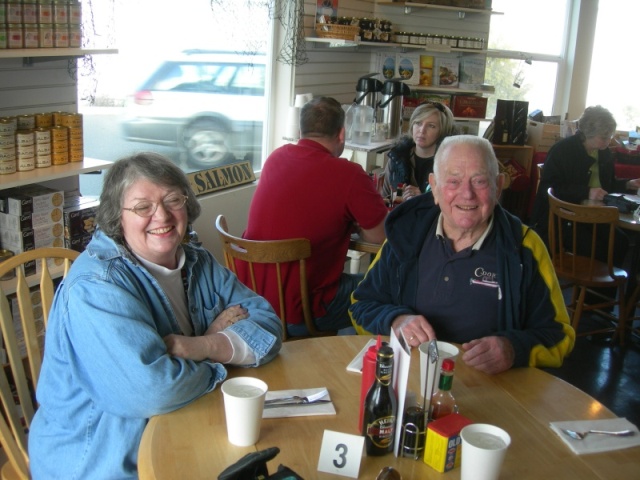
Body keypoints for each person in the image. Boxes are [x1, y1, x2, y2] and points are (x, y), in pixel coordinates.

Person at [29, 153, 283, 479]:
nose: (161, 215)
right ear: (116, 217)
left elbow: (268, 323)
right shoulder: (96, 287)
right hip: (102, 461)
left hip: (181, 424)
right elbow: (152, 390)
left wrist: (201, 345)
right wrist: (220, 358)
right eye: (142, 206)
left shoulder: (196, 260)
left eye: (172, 200)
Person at [349, 135, 575, 375]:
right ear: (434, 187)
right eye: (453, 181)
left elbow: (559, 336)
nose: (467, 194)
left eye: (479, 181)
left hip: (491, 389)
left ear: (498, 186)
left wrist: (513, 348)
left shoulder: (524, 247)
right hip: (410, 380)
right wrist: (395, 320)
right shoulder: (406, 235)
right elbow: (360, 305)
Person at [242, 96, 388, 337]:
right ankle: (344, 358)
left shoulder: (275, 158)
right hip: (305, 309)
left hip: (256, 299)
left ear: (301, 131)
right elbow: (379, 237)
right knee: (383, 289)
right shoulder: (349, 174)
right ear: (342, 134)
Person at [531, 105, 640, 253]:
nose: (608, 141)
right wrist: (586, 192)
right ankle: (592, 275)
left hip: (592, 216)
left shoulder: (604, 153)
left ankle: (613, 276)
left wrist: (628, 184)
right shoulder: (563, 150)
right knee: (598, 248)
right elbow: (548, 189)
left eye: (609, 137)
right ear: (589, 133)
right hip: (562, 217)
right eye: (604, 137)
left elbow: (606, 187)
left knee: (621, 242)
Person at [380, 101, 456, 204]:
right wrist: (395, 199)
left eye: (431, 126)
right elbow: (384, 199)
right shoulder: (397, 156)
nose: (422, 130)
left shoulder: (448, 163)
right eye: (418, 123)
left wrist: (424, 199)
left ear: (442, 131)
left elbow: (452, 206)